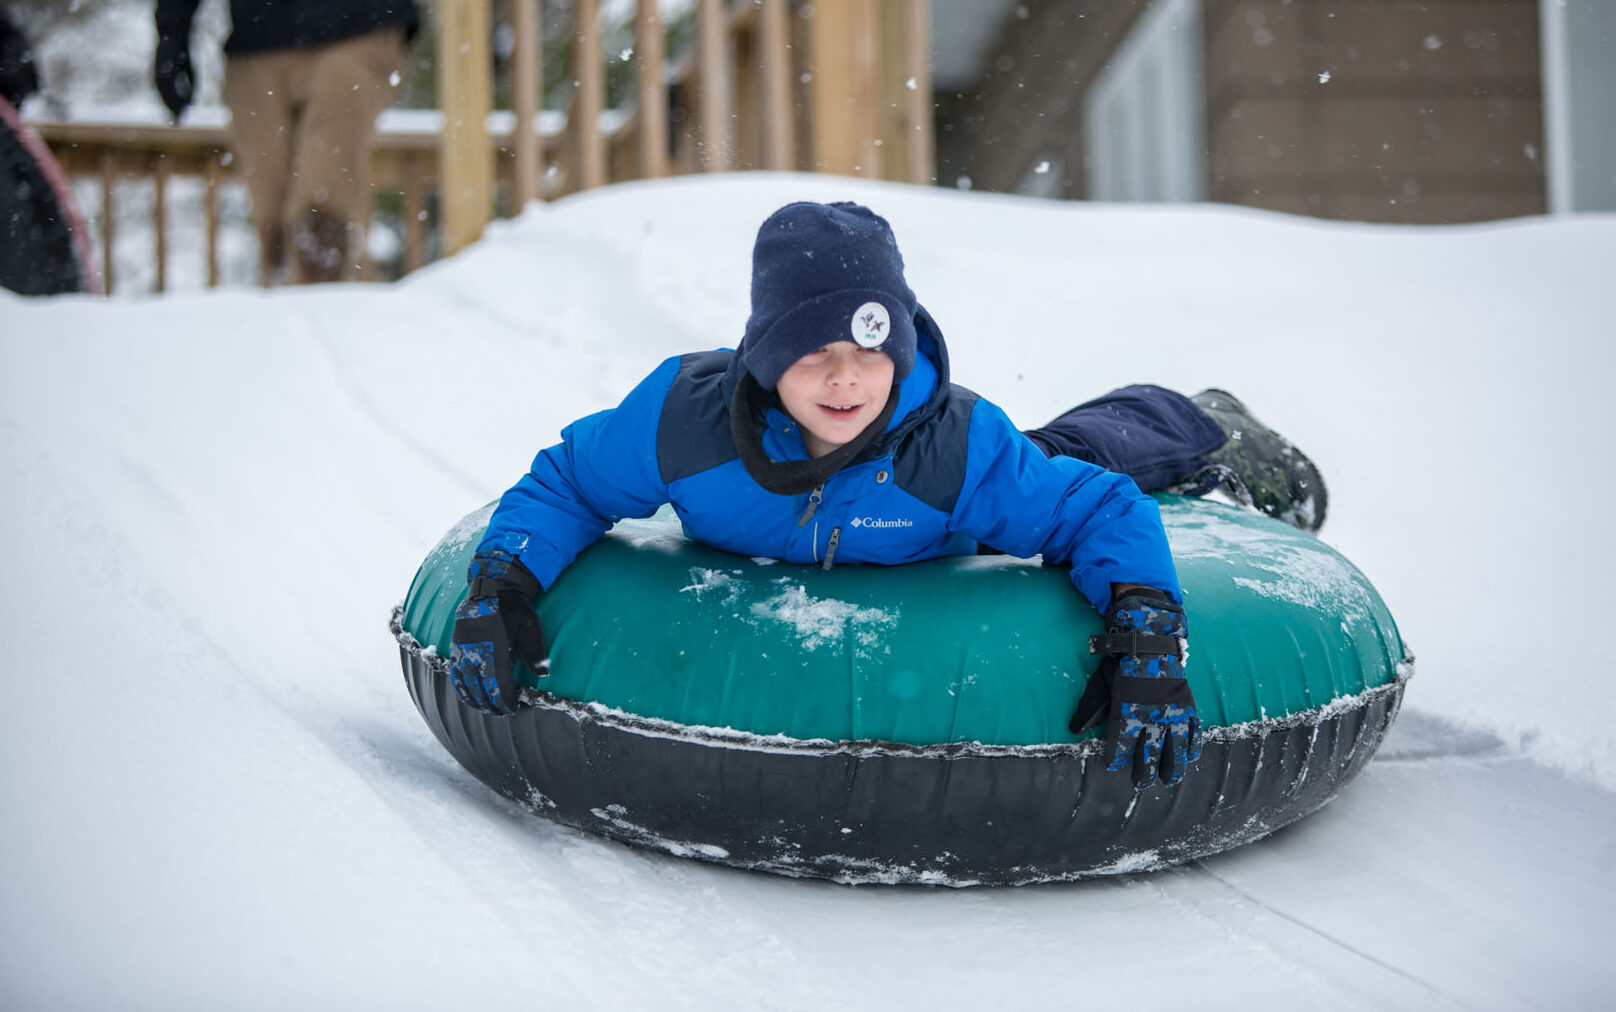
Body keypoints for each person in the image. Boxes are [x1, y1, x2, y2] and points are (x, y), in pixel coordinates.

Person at [448, 201, 1327, 790]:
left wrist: (1145, 624)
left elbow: (1098, 507)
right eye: (812, 352)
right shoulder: (683, 422)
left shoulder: (953, 448)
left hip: (952, 520)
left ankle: (1201, 421)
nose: (844, 381)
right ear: (762, 355)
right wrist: (503, 581)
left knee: (1078, 455)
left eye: (870, 351)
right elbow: (568, 481)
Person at [152, 0, 418, 285]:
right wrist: (173, 31)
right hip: (255, 38)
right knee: (271, 214)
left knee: (322, 208)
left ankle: (323, 304)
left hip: (359, 24)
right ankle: (286, 303)